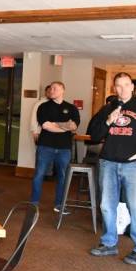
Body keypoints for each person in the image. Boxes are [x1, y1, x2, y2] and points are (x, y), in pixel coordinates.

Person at [89, 72, 136, 265]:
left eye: (126, 85)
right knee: (106, 205)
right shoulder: (107, 109)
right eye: (118, 86)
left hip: (134, 166)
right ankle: (109, 243)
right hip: (108, 163)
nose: (122, 89)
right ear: (115, 88)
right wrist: (107, 121)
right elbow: (94, 135)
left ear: (132, 86)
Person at [29, 81, 80, 213]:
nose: (52, 90)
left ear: (63, 90)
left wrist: (55, 124)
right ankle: (34, 203)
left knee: (63, 176)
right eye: (51, 88)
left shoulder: (72, 108)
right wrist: (65, 127)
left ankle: (59, 204)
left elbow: (74, 126)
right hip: (45, 146)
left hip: (64, 148)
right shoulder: (43, 107)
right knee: (39, 175)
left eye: (55, 88)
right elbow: (46, 126)